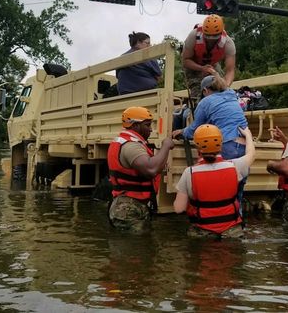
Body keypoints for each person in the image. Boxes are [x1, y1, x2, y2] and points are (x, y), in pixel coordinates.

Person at [172, 74, 249, 207]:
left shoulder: (205, 102)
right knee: (237, 195)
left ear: (205, 91)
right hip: (244, 146)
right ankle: (237, 221)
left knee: (220, 193)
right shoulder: (232, 95)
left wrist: (181, 132)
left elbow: (195, 130)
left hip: (227, 145)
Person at [173, 124, 255, 238]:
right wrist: (248, 135)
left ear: (198, 148)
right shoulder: (235, 166)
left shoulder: (189, 173)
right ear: (221, 146)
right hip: (232, 232)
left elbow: (178, 208)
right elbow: (251, 154)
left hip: (203, 233)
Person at [107, 106, 174, 233]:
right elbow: (151, 169)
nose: (150, 129)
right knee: (134, 249)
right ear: (135, 125)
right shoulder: (131, 146)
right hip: (128, 208)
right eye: (147, 125)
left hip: (129, 204)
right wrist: (166, 145)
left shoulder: (125, 141)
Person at [181, 14, 236, 103]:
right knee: (199, 92)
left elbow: (230, 70)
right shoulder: (193, 36)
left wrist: (226, 86)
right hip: (193, 64)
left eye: (214, 38)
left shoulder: (228, 43)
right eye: (208, 38)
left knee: (219, 87)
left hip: (212, 64)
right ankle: (196, 108)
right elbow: (185, 61)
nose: (210, 41)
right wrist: (201, 68)